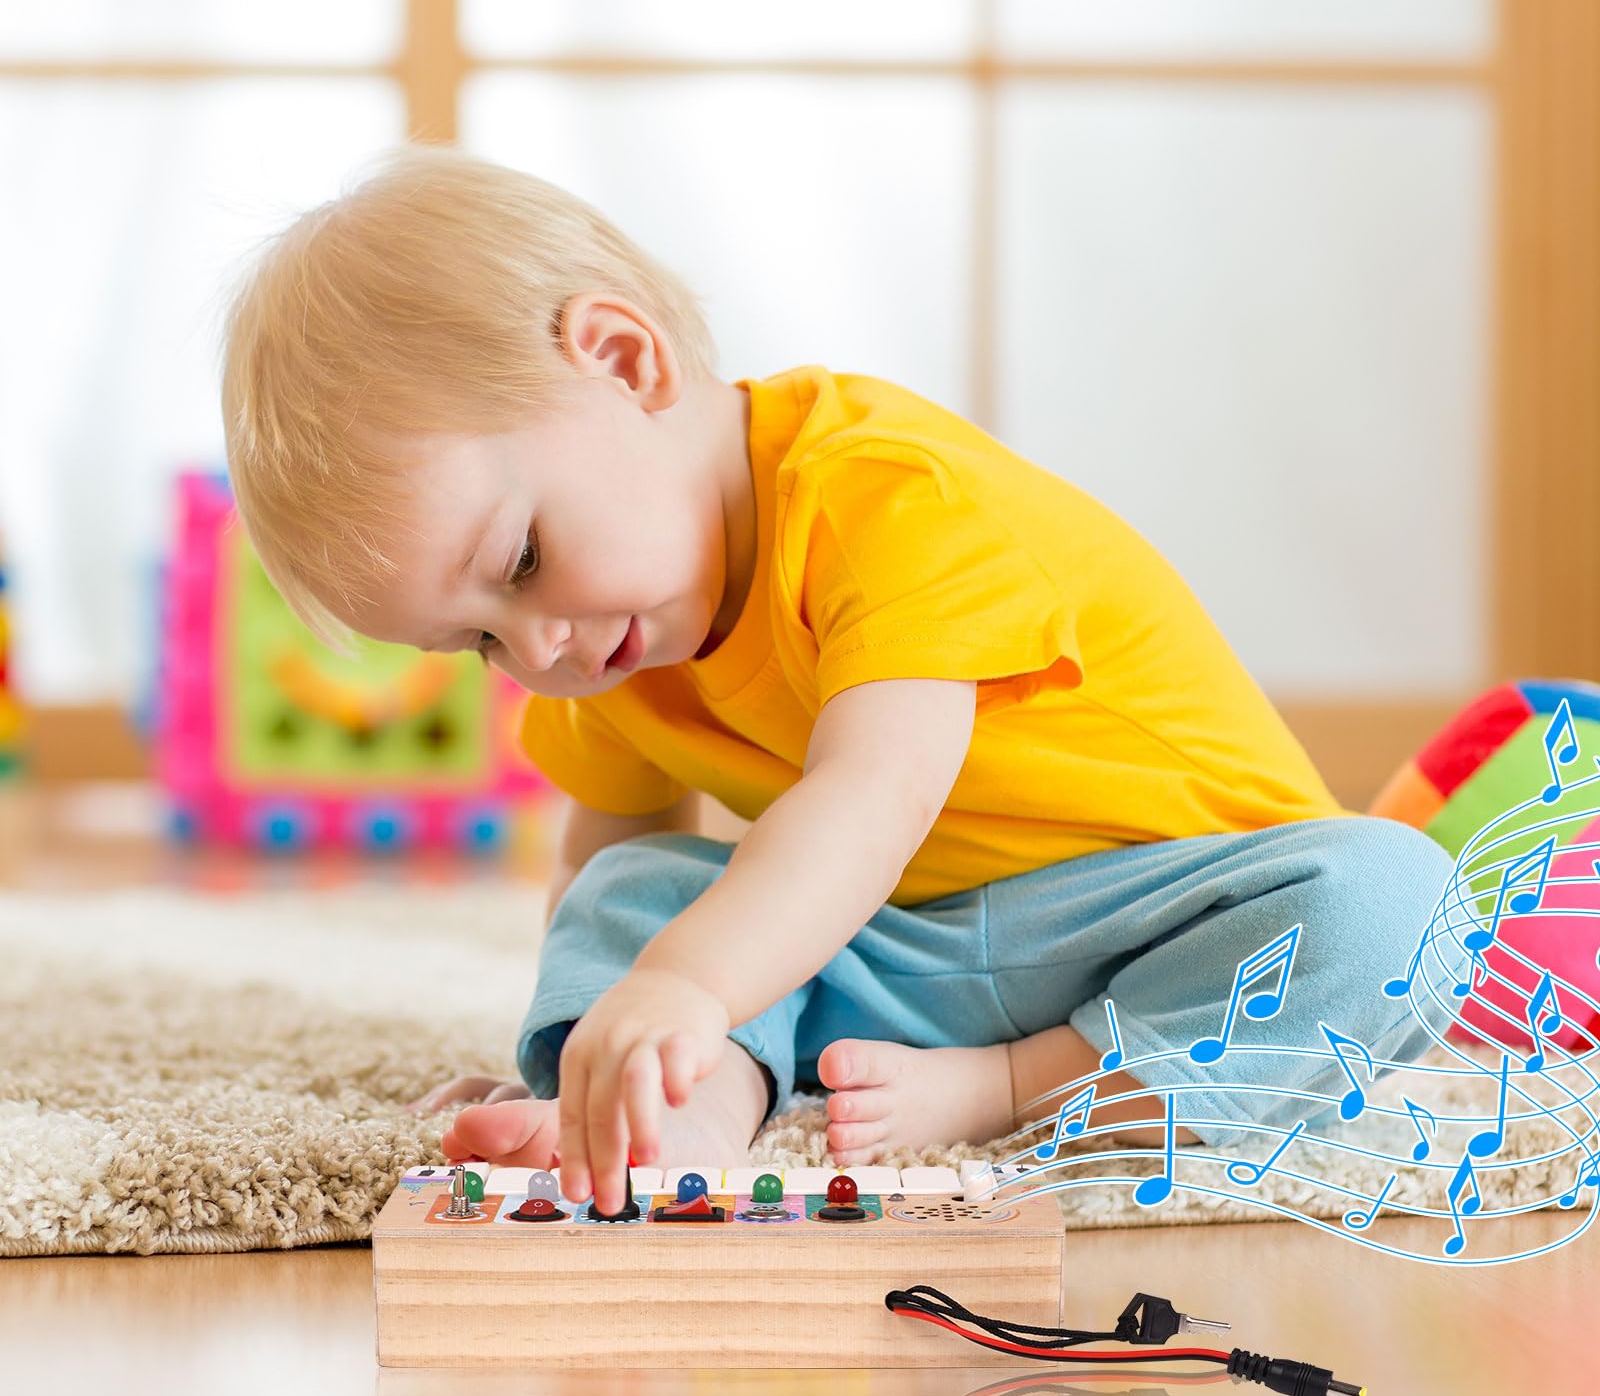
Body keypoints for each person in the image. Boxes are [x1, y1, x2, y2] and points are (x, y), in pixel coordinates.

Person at [219, 143, 1459, 1218]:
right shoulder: (607, 641)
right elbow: (609, 861)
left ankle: (1032, 1086)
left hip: (1166, 925)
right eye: (477, 643)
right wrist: (603, 1041)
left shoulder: (883, 496)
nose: (535, 651)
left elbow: (874, 796)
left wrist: (685, 983)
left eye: (521, 563)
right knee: (631, 888)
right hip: (895, 957)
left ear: (623, 360)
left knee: (1398, 901)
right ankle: (670, 1125)